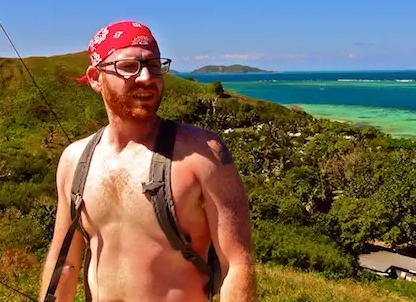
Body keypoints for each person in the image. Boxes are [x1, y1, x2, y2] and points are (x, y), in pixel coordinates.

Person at [39, 20, 256, 302]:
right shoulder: (74, 160)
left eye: (154, 66)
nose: (146, 77)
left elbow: (236, 265)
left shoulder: (203, 154)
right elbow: (64, 264)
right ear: (95, 78)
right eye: (128, 67)